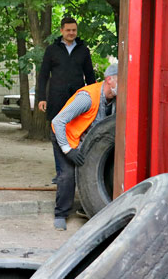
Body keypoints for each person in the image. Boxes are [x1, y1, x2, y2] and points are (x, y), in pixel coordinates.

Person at [49, 63, 118, 230]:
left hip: (84, 139)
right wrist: (68, 150)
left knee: (94, 171)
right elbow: (57, 121)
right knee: (67, 175)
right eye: (122, 80)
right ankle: (60, 214)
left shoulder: (115, 99)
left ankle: (85, 207)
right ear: (110, 80)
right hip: (63, 136)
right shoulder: (87, 97)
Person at [36, 17, 96, 184]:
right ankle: (61, 173)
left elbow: (90, 76)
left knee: (76, 133)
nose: (71, 33)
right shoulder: (52, 50)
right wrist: (42, 98)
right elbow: (43, 76)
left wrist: (95, 99)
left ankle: (75, 171)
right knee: (57, 133)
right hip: (56, 98)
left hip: (78, 100)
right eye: (68, 30)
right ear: (61, 30)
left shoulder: (83, 50)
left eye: (74, 30)